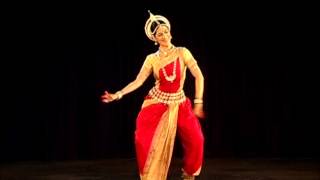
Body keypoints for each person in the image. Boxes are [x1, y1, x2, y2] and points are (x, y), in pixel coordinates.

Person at [101, 10, 205, 180]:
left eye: (165, 31)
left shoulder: (182, 52)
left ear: (170, 31)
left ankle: (189, 174)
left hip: (179, 102)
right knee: (142, 141)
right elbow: (138, 81)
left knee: (196, 139)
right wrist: (118, 94)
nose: (164, 35)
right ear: (155, 39)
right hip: (158, 102)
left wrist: (198, 102)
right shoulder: (151, 59)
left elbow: (199, 76)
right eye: (159, 34)